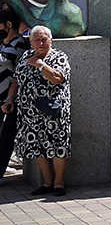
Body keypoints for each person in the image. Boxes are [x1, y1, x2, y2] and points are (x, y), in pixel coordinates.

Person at [4, 26, 69, 197]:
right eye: (37, 40)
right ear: (31, 42)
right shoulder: (25, 56)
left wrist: (41, 65)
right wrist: (10, 99)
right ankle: (47, 183)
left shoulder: (59, 57)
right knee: (37, 147)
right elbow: (16, 81)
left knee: (58, 147)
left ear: (51, 40)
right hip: (29, 111)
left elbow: (57, 79)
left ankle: (59, 183)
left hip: (53, 111)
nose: (40, 43)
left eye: (44, 39)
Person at [0, 8, 30, 175]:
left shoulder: (19, 44)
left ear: (8, 24)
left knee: (5, 138)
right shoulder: (2, 41)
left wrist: (10, 99)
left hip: (8, 100)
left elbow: (17, 73)